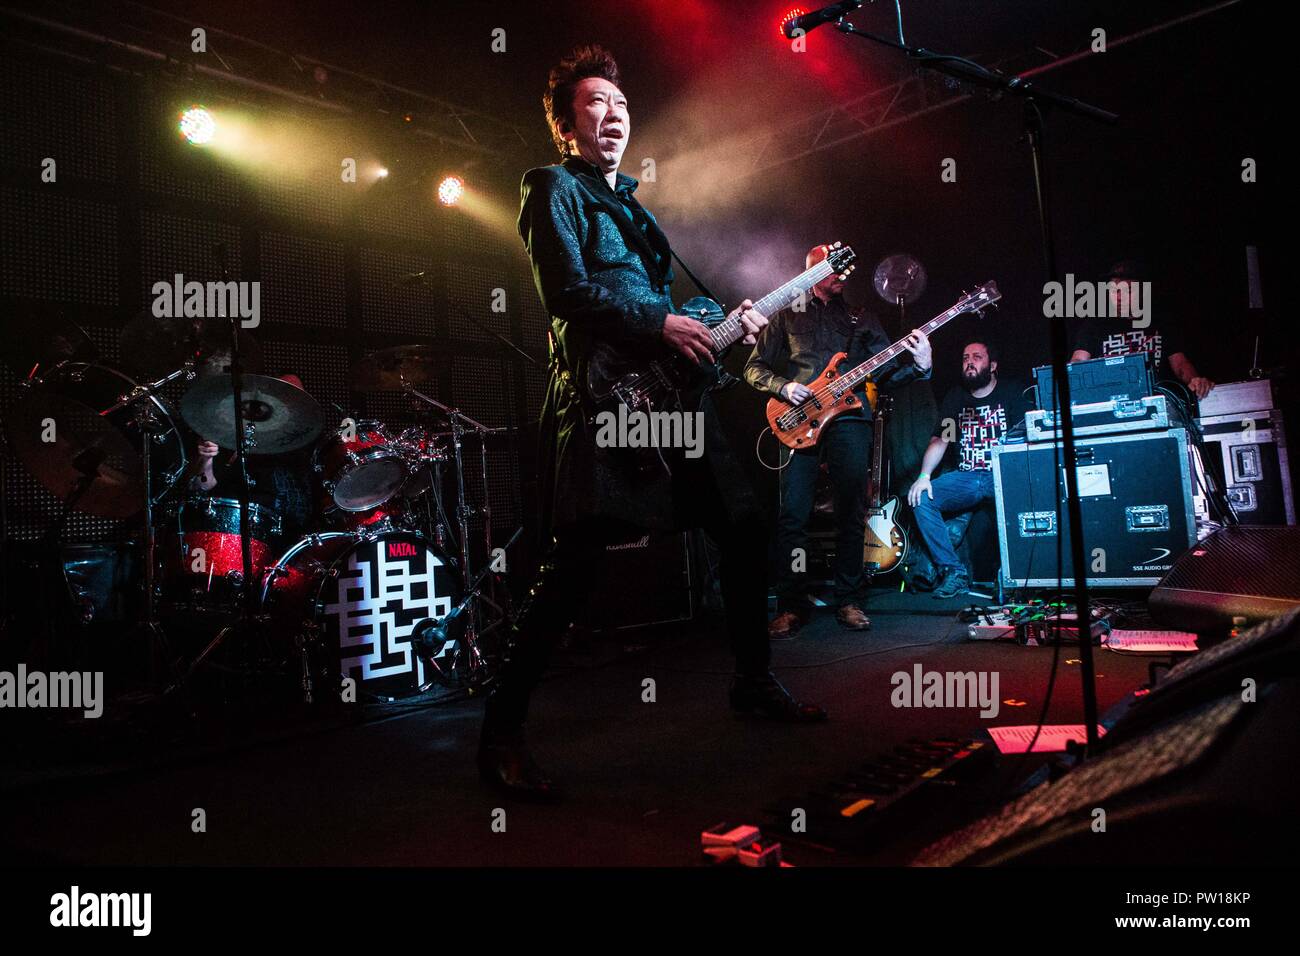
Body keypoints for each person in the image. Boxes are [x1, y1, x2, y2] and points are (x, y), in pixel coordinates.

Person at [478, 46, 828, 804]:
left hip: (669, 407)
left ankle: (752, 682)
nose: (613, 115)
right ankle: (500, 734)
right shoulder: (551, 189)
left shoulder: (635, 212)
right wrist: (661, 321)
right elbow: (567, 293)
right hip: (609, 403)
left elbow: (676, 319)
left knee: (743, 520)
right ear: (566, 127)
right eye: (595, 103)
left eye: (623, 106)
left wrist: (720, 325)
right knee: (571, 568)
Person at [744, 245, 931, 638]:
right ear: (808, 273)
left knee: (852, 511)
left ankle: (848, 600)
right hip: (798, 419)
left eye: (840, 268)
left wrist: (919, 367)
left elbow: (885, 374)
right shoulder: (786, 315)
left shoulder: (861, 317)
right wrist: (785, 386)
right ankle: (792, 605)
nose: (836, 274)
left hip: (850, 418)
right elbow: (753, 368)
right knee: (792, 517)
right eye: (827, 269)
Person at [906, 340, 1030, 598]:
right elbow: (941, 440)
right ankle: (954, 572)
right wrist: (923, 476)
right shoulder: (956, 397)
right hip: (969, 477)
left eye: (977, 357)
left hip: (1003, 475)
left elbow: (1026, 439)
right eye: (965, 358)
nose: (969, 362)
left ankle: (1015, 576)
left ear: (992, 365)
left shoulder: (1011, 392)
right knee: (921, 498)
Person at [185, 373, 314, 540]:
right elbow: (203, 486)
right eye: (285, 396)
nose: (290, 404)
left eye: (296, 398)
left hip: (301, 539)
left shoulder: (311, 444)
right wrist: (206, 459)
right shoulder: (238, 437)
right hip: (250, 534)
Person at [1069, 259, 1215, 399]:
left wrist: (1195, 380)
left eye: (1128, 291)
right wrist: (1071, 373)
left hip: (1158, 401)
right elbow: (1079, 359)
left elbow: (1180, 364)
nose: (1119, 297)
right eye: (1114, 291)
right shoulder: (1095, 325)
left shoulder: (1160, 321)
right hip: (1113, 403)